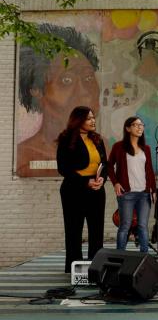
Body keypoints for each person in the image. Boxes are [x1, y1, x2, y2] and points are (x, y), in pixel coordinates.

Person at [18, 24, 100, 177]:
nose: (85, 93)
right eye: (66, 80)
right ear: (36, 91)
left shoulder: (104, 147)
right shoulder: (25, 157)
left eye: (88, 77)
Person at [56, 106, 107, 273]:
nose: (93, 121)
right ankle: (73, 267)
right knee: (73, 229)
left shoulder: (97, 139)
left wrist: (101, 180)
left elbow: (104, 165)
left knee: (96, 229)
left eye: (93, 117)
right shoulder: (66, 139)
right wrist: (86, 182)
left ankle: (96, 267)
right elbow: (63, 168)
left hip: (96, 191)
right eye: (88, 118)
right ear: (78, 120)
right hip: (73, 191)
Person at [108, 117, 157, 253]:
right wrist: (116, 183)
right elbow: (109, 166)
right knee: (125, 225)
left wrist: (153, 190)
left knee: (142, 226)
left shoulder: (146, 148)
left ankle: (144, 257)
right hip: (126, 194)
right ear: (128, 128)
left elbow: (150, 171)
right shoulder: (118, 147)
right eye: (136, 125)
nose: (140, 127)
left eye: (141, 125)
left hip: (144, 194)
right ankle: (120, 256)